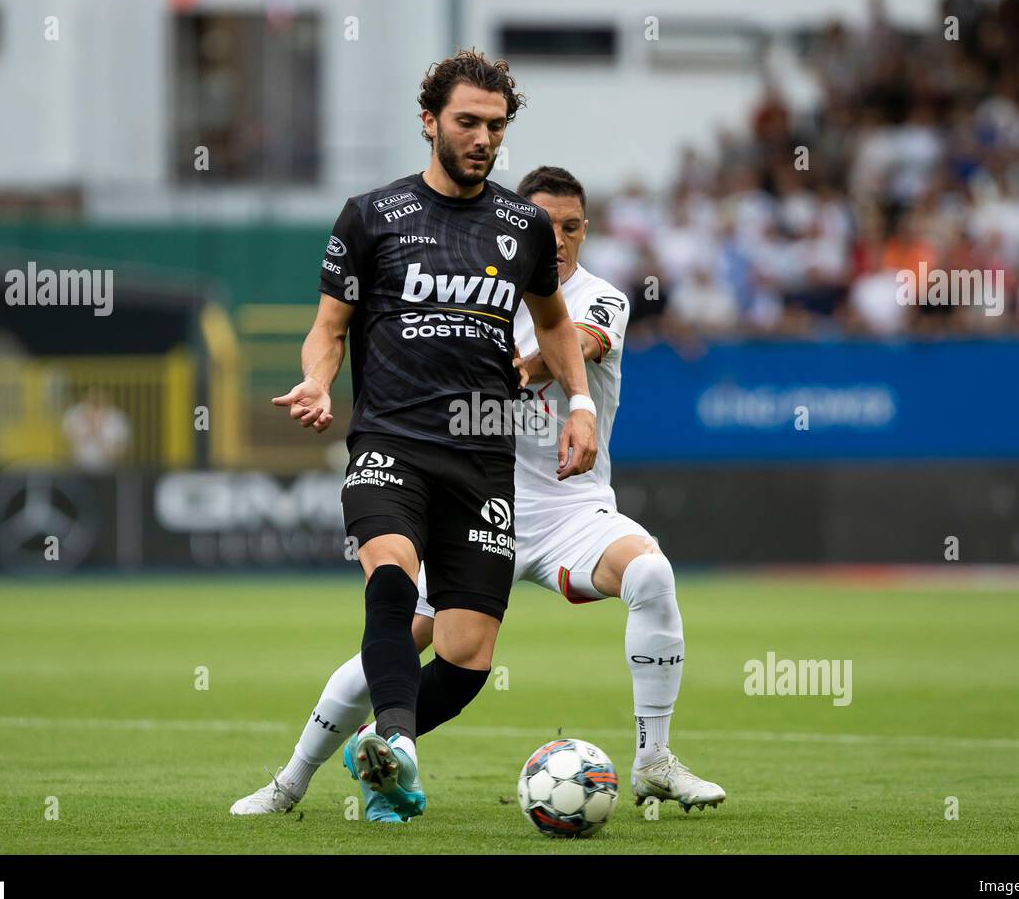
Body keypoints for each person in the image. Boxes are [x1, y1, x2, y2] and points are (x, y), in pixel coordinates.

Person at [233, 166, 724, 822]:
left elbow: (576, 343)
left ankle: (654, 760)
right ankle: (291, 782)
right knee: (405, 642)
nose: (559, 240)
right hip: (476, 500)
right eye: (545, 227)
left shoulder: (601, 296)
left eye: (572, 227)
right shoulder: (476, 297)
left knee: (653, 573)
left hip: (570, 509)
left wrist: (512, 371)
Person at [235, 51, 597, 822]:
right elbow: (329, 329)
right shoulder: (370, 216)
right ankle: (396, 746)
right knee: (391, 574)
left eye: (495, 126)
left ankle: (379, 751)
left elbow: (555, 323)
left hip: (483, 457)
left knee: (467, 658)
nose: (483, 138)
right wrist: (316, 379)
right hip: (390, 441)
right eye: (467, 122)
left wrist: (580, 405)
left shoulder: (523, 226)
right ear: (429, 121)